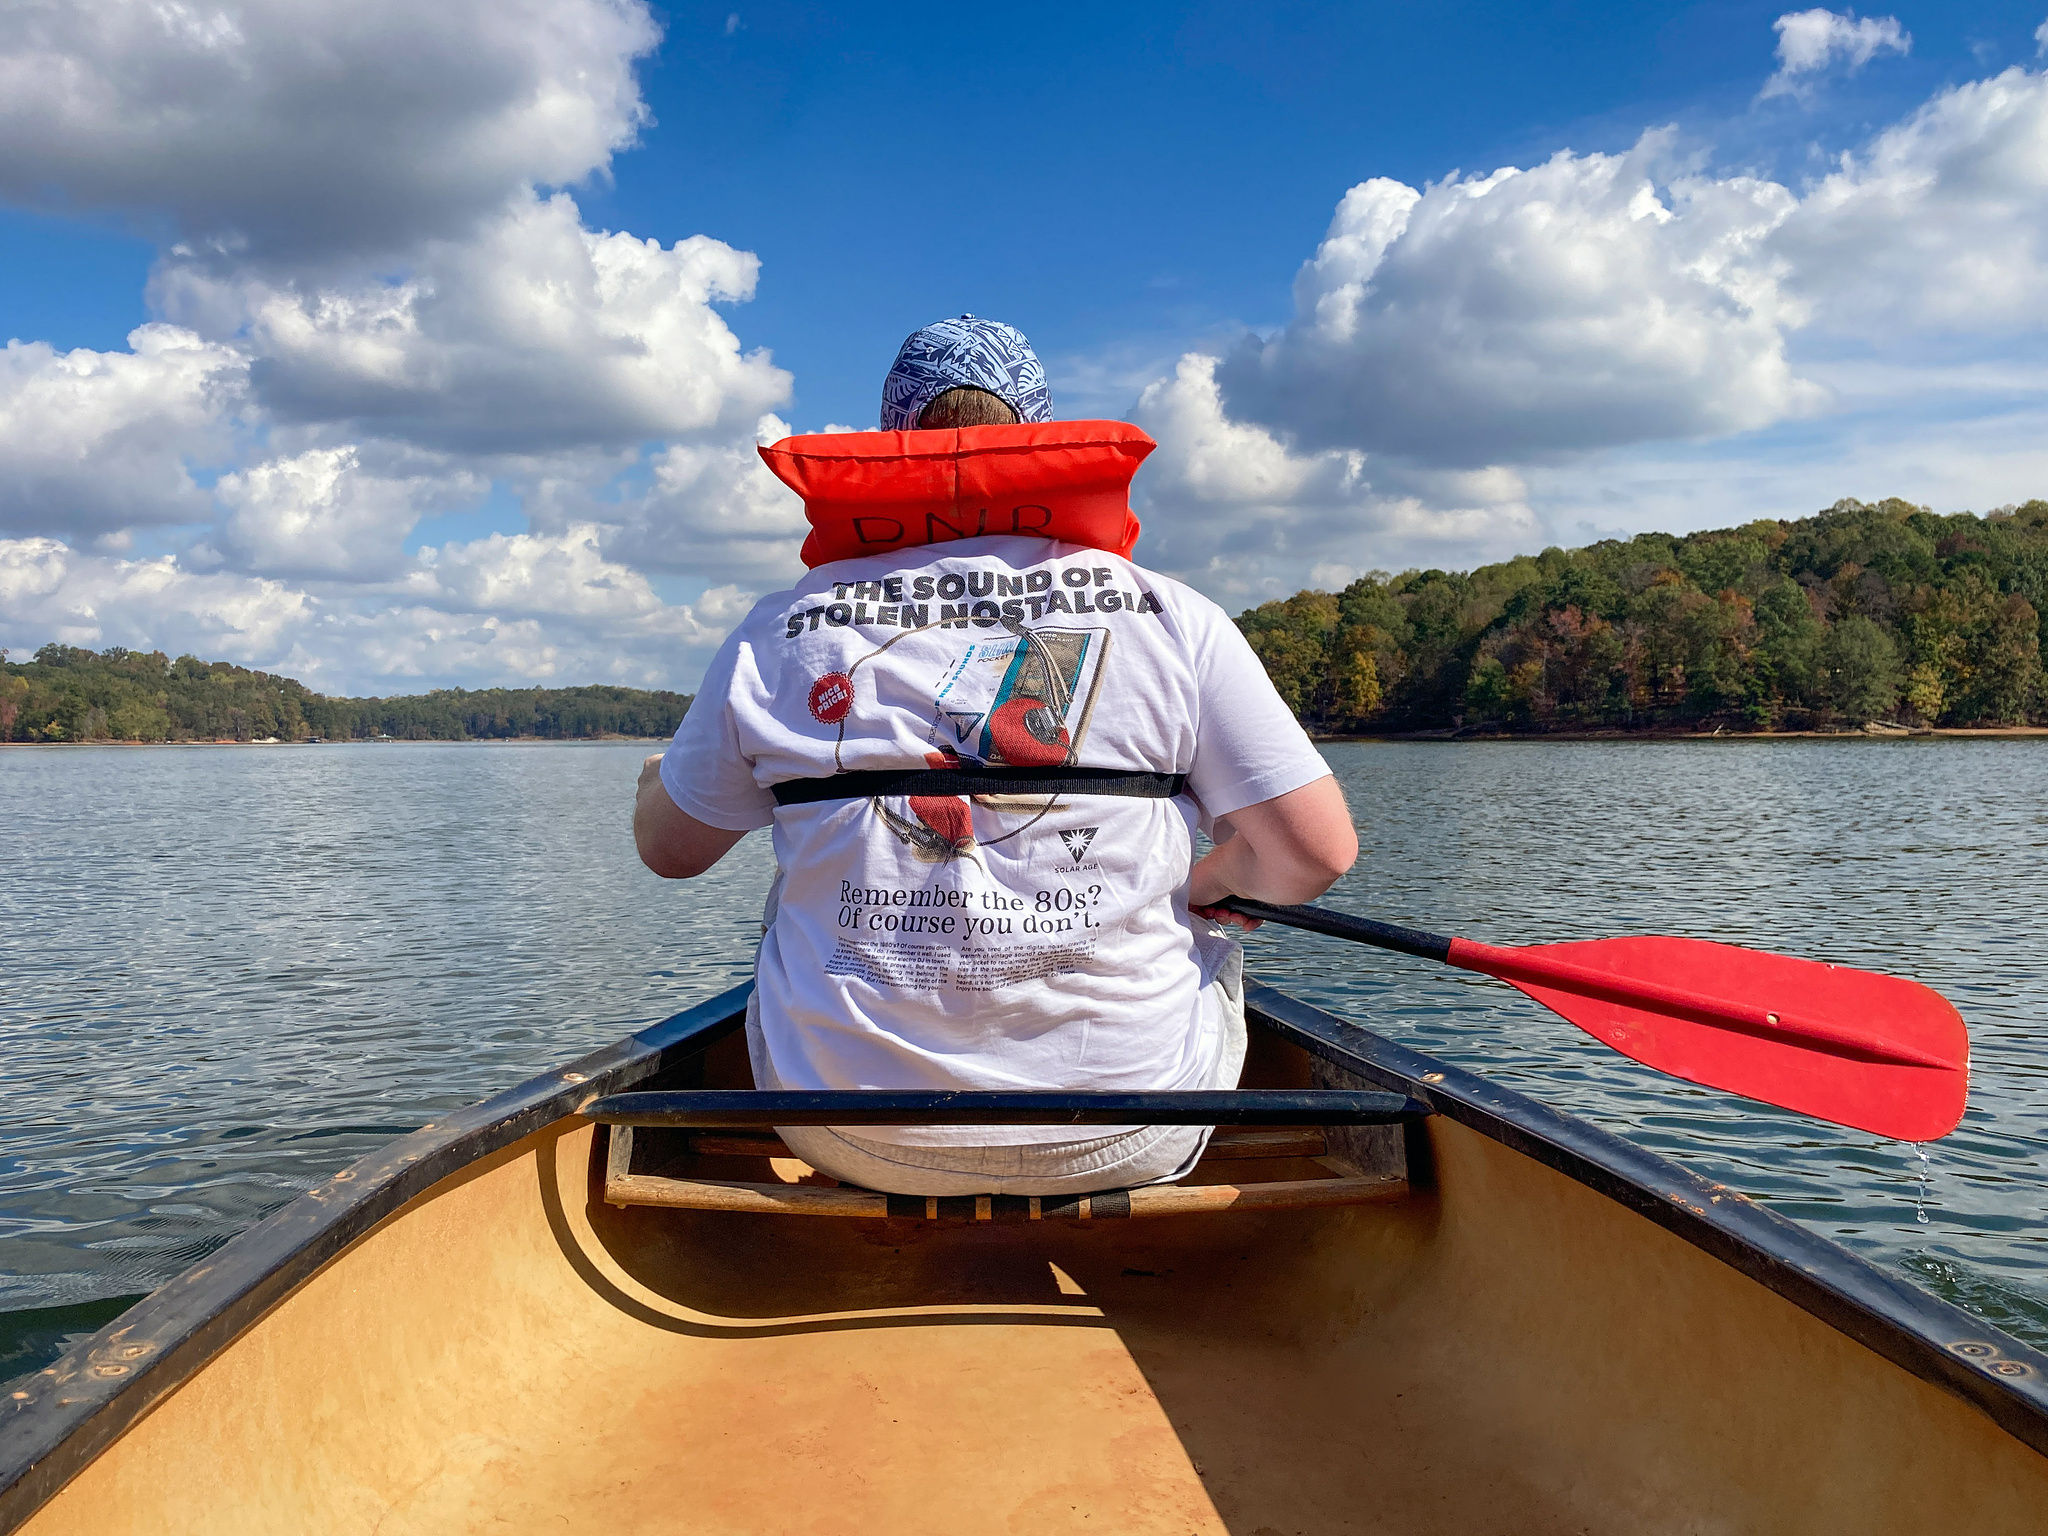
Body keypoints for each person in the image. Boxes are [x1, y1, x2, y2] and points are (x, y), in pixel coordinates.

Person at [634, 314, 1356, 1196]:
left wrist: (652, 784)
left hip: (844, 1129)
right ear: (1039, 432)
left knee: (793, 892)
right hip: (1134, 1128)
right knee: (1201, 930)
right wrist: (1203, 890)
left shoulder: (780, 627)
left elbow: (672, 854)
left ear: (894, 443)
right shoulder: (1173, 614)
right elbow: (1316, 853)